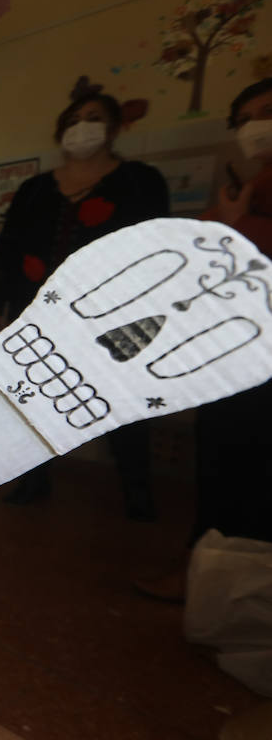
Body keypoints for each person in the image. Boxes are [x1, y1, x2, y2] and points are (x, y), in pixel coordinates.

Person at [0, 86, 170, 517]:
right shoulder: (36, 190)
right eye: (74, 119)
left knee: (123, 401)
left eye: (95, 117)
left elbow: (155, 247)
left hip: (115, 313)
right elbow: (7, 248)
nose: (83, 127)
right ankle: (32, 479)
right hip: (36, 310)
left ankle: (136, 491)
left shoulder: (140, 182)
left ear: (114, 128)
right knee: (31, 396)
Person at [136, 78, 272, 602]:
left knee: (239, 465)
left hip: (257, 357)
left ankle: (219, 582)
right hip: (239, 353)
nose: (257, 125)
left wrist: (238, 222)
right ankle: (212, 575)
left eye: (269, 111)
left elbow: (238, 256)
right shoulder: (252, 185)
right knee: (226, 461)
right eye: (247, 117)